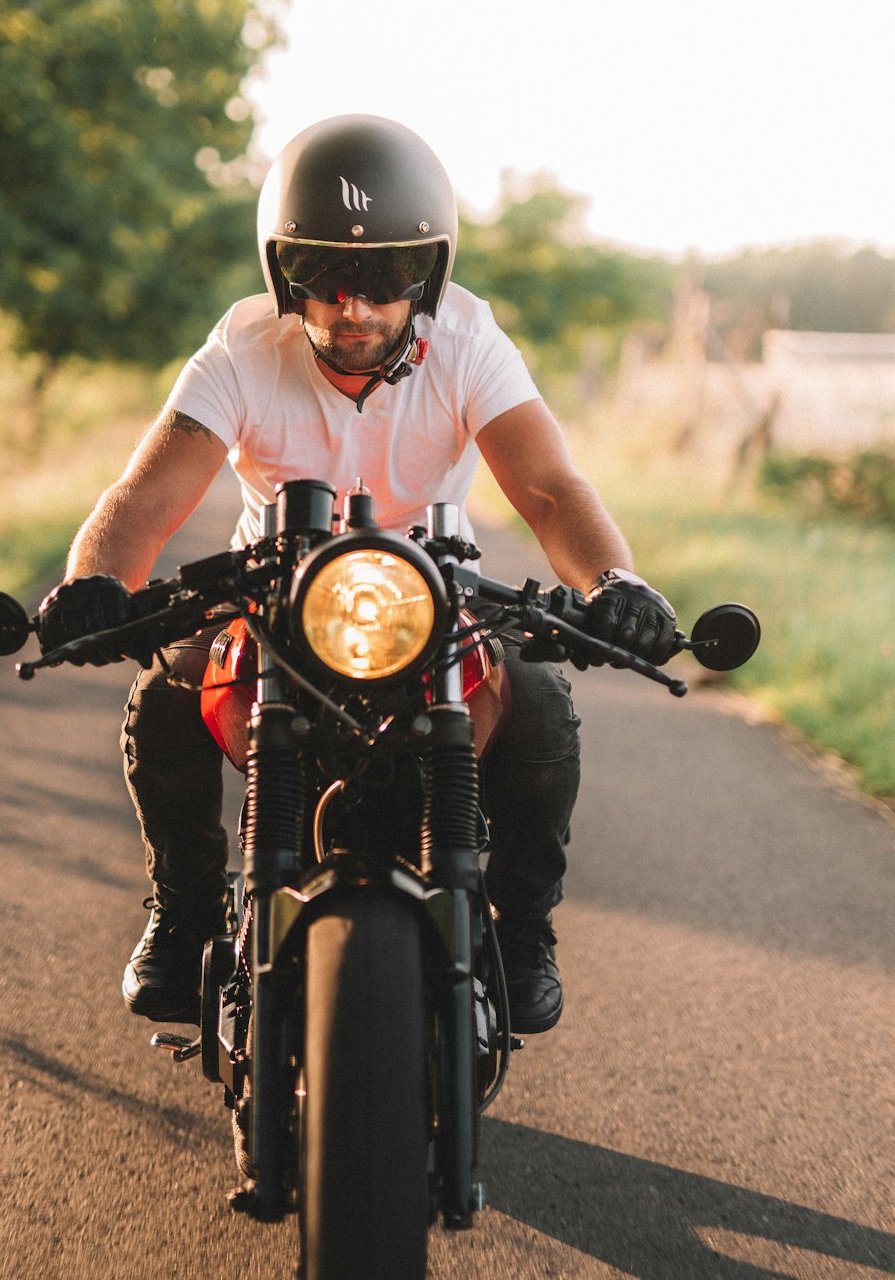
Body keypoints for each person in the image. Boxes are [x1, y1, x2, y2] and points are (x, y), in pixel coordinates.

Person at [37, 114, 678, 1035]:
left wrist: (617, 583)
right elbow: (143, 497)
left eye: (384, 278)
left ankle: (524, 924)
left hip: (434, 598)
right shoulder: (243, 348)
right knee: (168, 689)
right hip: (273, 600)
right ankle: (181, 909)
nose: (354, 305)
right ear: (281, 274)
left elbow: (546, 485)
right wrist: (94, 581)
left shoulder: (469, 341)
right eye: (323, 277)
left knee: (538, 694)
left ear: (430, 275)